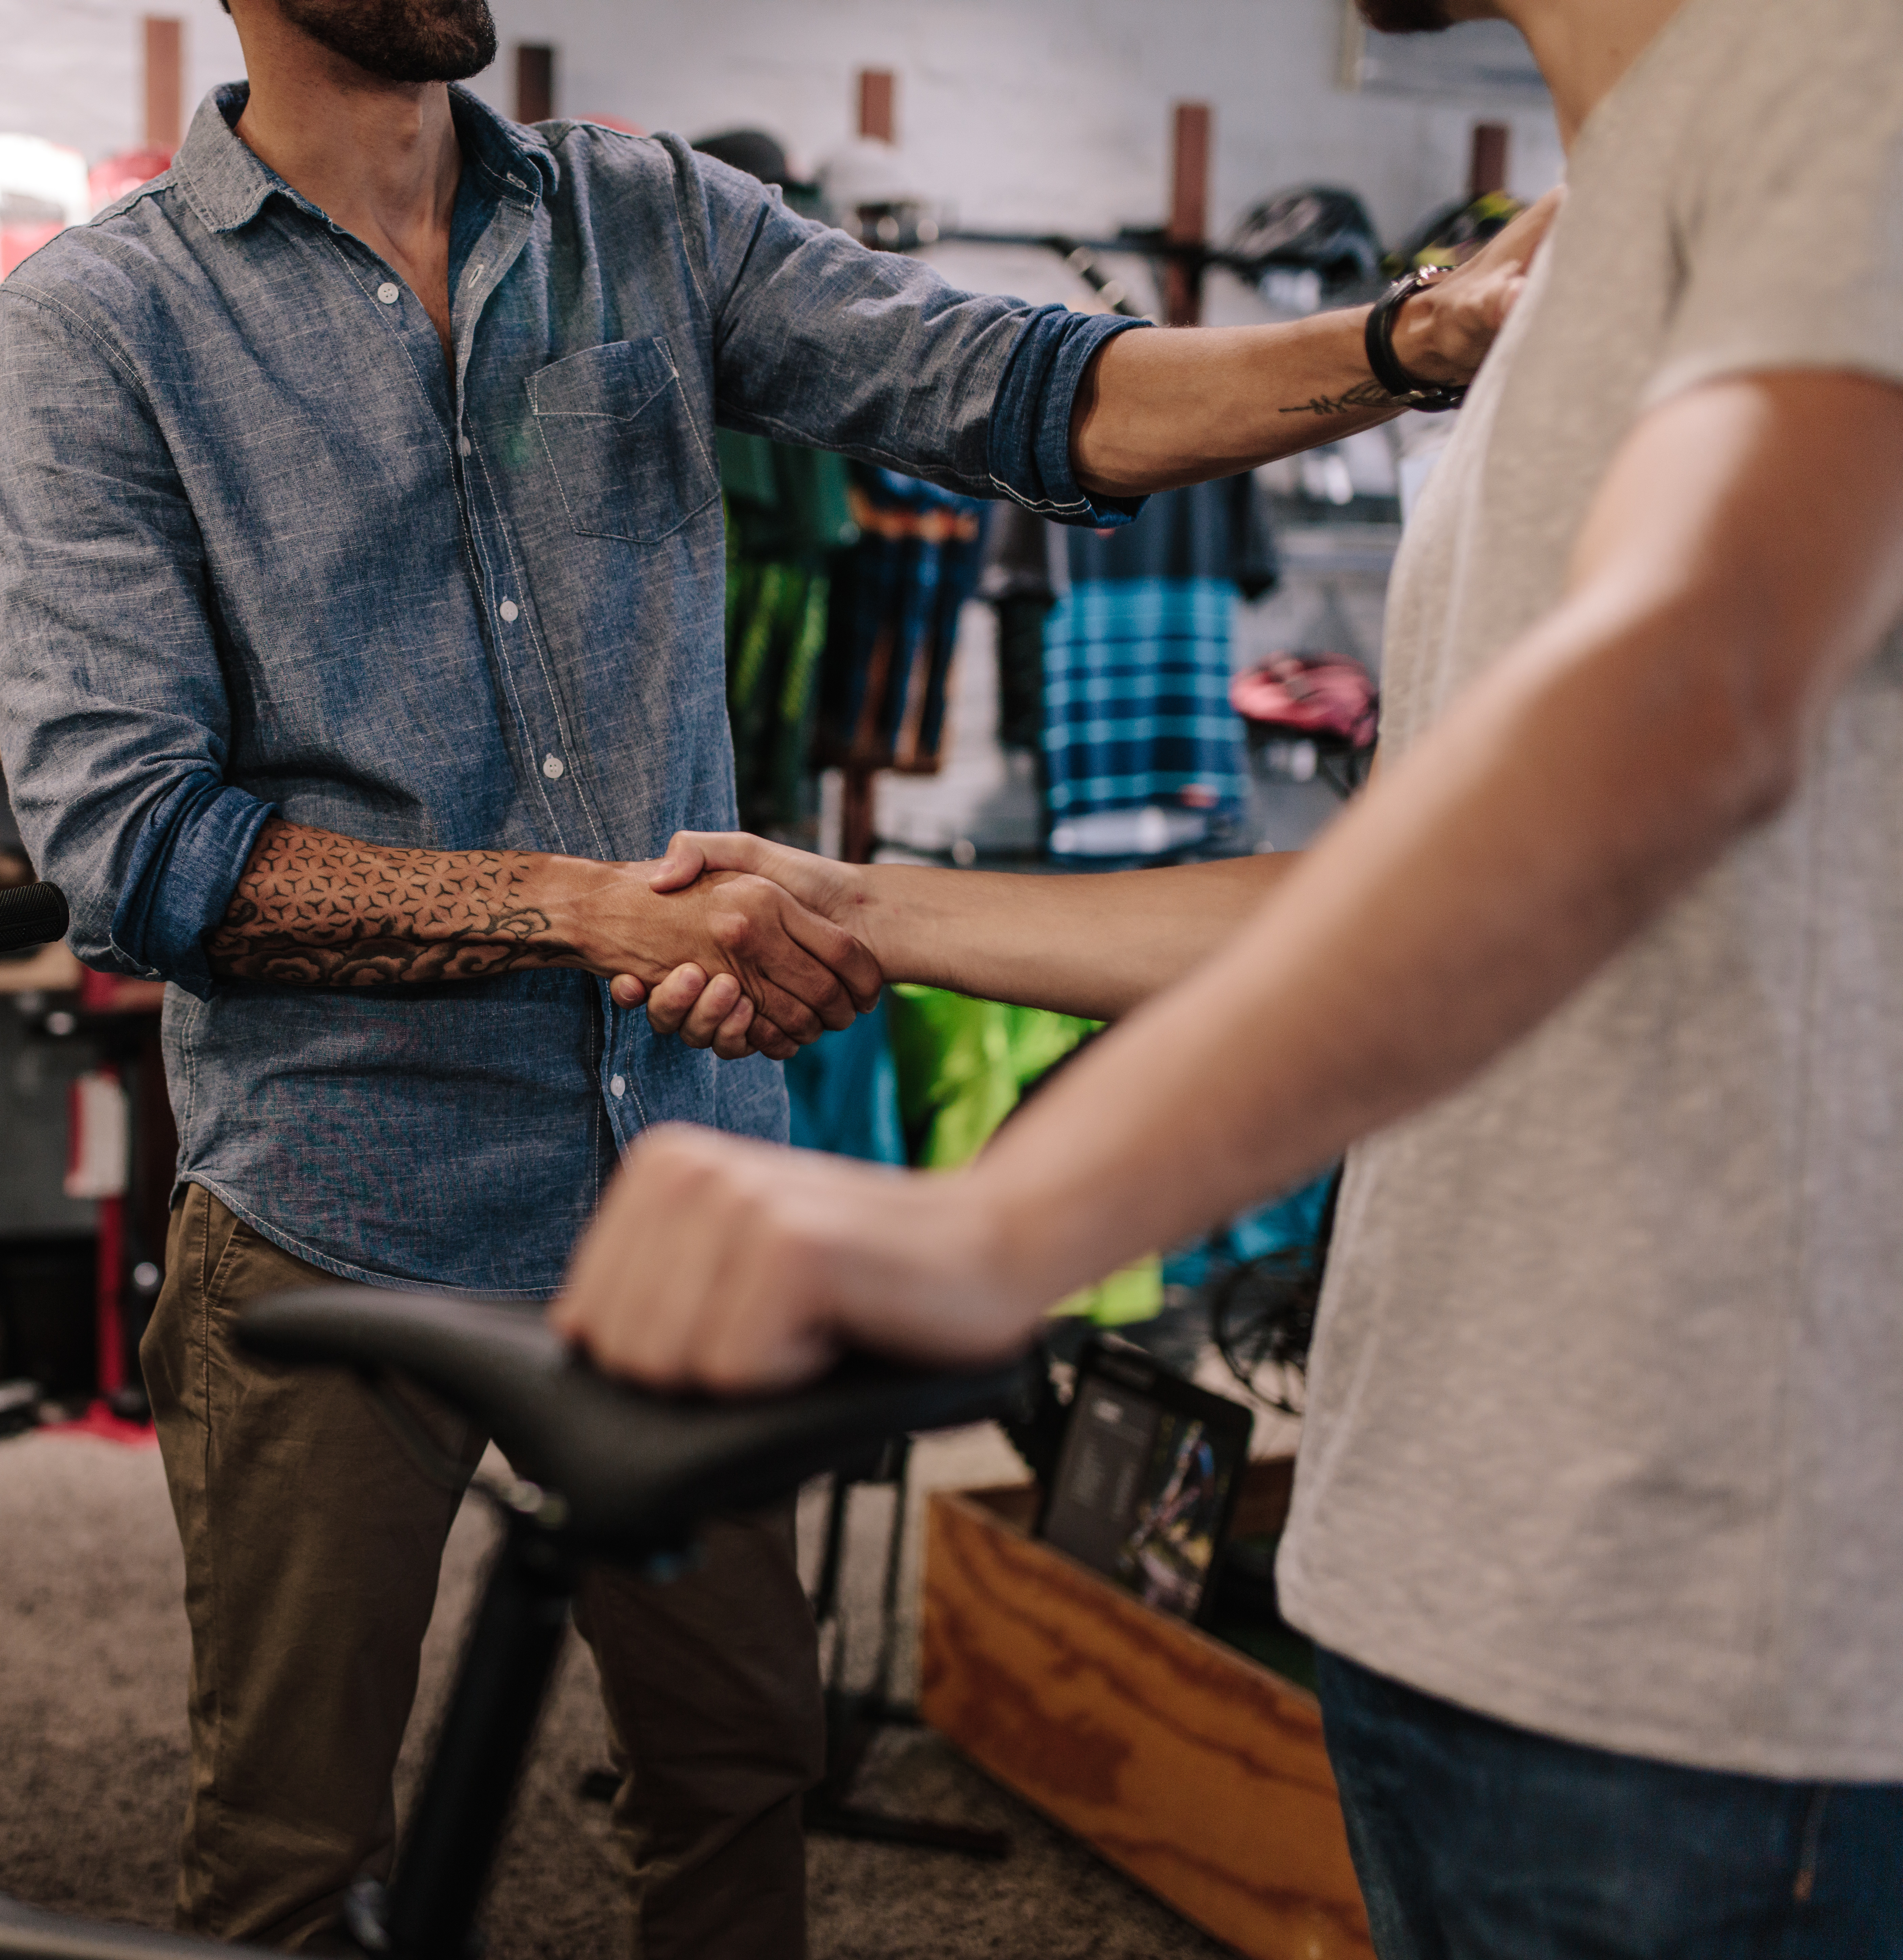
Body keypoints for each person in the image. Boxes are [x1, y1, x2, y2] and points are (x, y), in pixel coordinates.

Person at [0, 0, 1540, 1950]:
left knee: (734, 1776)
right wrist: (582, 912)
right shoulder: (103, 324)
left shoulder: (643, 220)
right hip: (336, 1205)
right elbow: (132, 851)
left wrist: (1405, 342)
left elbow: (1027, 388)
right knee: (295, 1850)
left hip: (692, 1187)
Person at [557, 0, 1903, 1949]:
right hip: (1452, 1559)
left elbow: (1687, 696)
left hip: (1711, 1632)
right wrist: (869, 906)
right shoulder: (1583, 237)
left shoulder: (1843, 63)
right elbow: (1399, 880)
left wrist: (993, 1230)